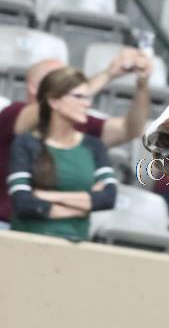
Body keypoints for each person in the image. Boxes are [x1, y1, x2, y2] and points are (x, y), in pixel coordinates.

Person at [0, 48, 152, 225]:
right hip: (9, 223)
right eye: (62, 81)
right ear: (35, 88)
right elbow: (43, 111)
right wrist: (108, 74)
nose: (85, 102)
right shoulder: (14, 113)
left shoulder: (82, 126)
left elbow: (131, 130)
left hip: (69, 227)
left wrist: (142, 85)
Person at [9, 67, 117, 241]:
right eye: (78, 97)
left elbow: (108, 198)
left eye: (87, 97)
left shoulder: (94, 145)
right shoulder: (26, 143)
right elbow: (22, 201)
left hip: (76, 243)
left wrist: (46, 196)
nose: (87, 104)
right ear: (53, 102)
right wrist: (83, 204)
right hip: (28, 241)